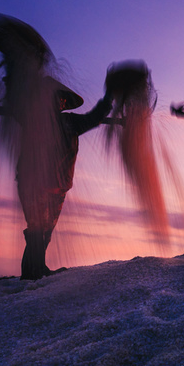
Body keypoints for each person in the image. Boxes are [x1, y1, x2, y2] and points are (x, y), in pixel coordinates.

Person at [16, 79, 112, 279]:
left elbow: (93, 118)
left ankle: (37, 269)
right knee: (36, 228)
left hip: (58, 186)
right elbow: (17, 107)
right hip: (33, 183)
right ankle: (33, 273)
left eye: (62, 100)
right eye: (54, 99)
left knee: (46, 231)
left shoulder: (71, 122)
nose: (59, 103)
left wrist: (108, 98)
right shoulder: (34, 120)